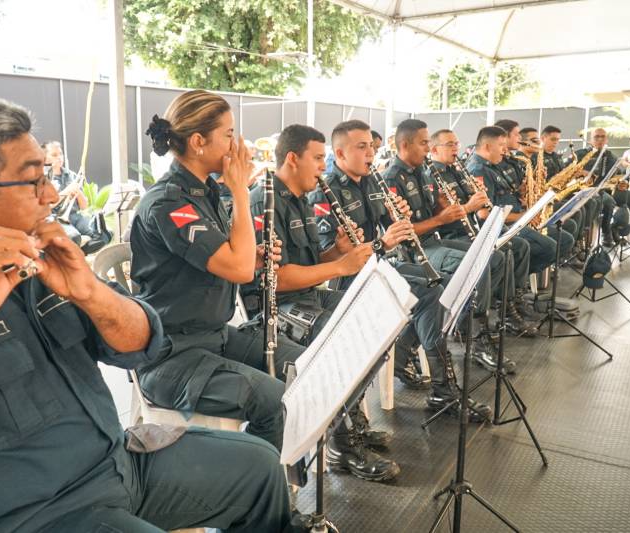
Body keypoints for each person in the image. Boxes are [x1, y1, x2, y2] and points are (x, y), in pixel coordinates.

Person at [0, 95, 292, 533]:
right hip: (37, 512)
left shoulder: (37, 252)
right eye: (34, 181)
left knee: (261, 466)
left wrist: (90, 292)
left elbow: (141, 345)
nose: (52, 194)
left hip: (117, 464)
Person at [130, 90, 304, 452]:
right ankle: (259, 481)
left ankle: (284, 467)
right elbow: (238, 271)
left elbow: (230, 260)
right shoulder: (169, 203)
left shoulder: (204, 193)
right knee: (276, 401)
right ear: (198, 142)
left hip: (213, 335)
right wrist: (240, 190)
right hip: (172, 355)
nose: (237, 145)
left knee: (304, 364)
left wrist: (253, 256)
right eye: (228, 134)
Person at [309, 119, 491, 423]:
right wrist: (382, 242)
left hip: (380, 267)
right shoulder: (324, 194)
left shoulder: (371, 181)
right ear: (339, 154)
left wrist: (398, 216)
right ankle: (441, 387)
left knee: (441, 286)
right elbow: (332, 259)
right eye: (362, 147)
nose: (371, 153)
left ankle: (428, 375)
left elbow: (393, 231)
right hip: (350, 281)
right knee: (429, 292)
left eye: (372, 146)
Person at [249, 124, 399, 482]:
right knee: (344, 341)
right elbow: (276, 278)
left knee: (373, 318)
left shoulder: (301, 197)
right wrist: (340, 266)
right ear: (292, 158)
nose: (323, 166)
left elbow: (312, 263)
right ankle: (342, 445)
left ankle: (348, 420)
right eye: (317, 158)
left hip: (306, 294)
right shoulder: (263, 201)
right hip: (275, 307)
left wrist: (337, 252)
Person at [383, 120, 520, 372]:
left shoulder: (421, 171)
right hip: (413, 251)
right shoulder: (392, 178)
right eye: (424, 143)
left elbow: (434, 212)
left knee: (495, 257)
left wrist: (446, 206)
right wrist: (443, 218)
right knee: (478, 264)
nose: (428, 148)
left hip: (433, 241)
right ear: (404, 145)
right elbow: (403, 233)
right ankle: (475, 338)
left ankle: (466, 322)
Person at [428, 128, 536, 341]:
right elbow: (441, 216)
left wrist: (477, 192)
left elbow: (475, 206)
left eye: (456, 144)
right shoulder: (431, 175)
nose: (455, 148)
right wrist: (469, 206)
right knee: (488, 258)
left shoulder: (457, 170)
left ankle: (503, 307)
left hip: (471, 229)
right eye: (450, 144)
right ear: (434, 149)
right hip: (451, 235)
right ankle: (473, 323)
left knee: (510, 250)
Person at [468, 126, 569, 275]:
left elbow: (507, 193)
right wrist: (525, 217)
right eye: (501, 145)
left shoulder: (492, 164)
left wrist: (525, 191)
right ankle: (514, 280)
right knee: (549, 247)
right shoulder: (478, 169)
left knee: (563, 239)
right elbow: (484, 215)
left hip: (515, 218)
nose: (505, 150)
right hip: (502, 226)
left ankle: (517, 278)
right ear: (488, 147)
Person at [42, 141, 112, 254]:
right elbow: (45, 207)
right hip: (56, 218)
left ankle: (78, 253)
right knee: (73, 237)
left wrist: (78, 193)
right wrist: (66, 192)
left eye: (60, 154)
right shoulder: (43, 179)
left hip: (75, 217)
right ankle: (75, 251)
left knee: (105, 235)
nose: (59, 157)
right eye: (54, 155)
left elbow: (84, 206)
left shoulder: (72, 176)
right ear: (45, 158)